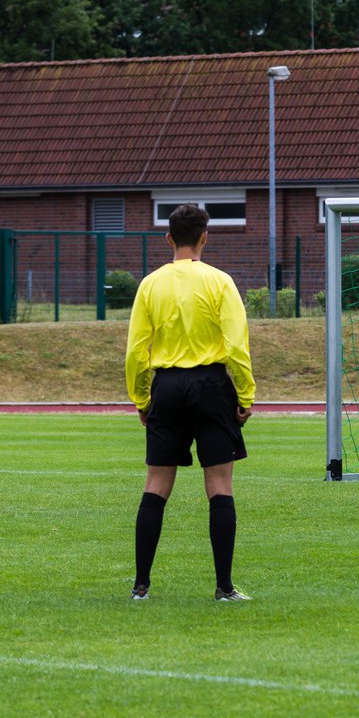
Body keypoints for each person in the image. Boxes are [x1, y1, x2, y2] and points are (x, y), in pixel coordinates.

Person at [124, 203, 255, 601]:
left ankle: (141, 586)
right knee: (219, 485)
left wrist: (142, 398)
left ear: (168, 238)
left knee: (156, 485)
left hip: (166, 386)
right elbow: (236, 344)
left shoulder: (151, 284)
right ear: (204, 237)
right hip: (211, 385)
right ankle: (224, 588)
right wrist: (245, 395)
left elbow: (135, 351)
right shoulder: (220, 282)